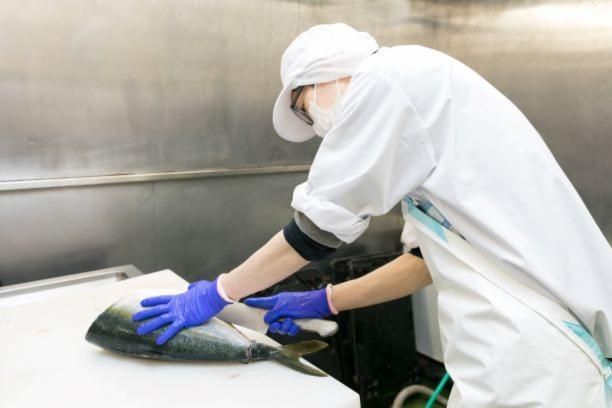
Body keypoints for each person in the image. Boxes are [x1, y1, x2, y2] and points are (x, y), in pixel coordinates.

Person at [132, 23, 612, 407]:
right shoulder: (419, 112)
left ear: (322, 77)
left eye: (306, 110)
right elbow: (423, 262)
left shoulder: (387, 81)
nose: (317, 127)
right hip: (518, 348)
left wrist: (220, 292)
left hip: (531, 354)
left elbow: (314, 233)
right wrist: (327, 300)